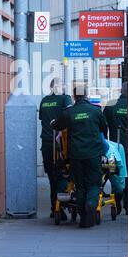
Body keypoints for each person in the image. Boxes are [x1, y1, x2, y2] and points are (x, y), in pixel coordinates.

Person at [51, 83, 108, 228]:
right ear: (86, 95)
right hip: (93, 153)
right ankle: (91, 203)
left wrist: (53, 123)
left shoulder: (69, 112)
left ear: (74, 96)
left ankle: (84, 220)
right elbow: (103, 128)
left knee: (80, 186)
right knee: (94, 183)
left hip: (76, 155)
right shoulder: (96, 111)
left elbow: (57, 125)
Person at [39, 78, 73, 219]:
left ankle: (55, 208)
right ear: (60, 87)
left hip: (47, 143)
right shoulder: (65, 99)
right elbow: (70, 117)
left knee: (52, 178)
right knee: (65, 175)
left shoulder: (44, 101)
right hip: (62, 145)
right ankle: (64, 204)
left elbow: (43, 119)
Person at [103, 82, 128, 213]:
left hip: (113, 151)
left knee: (113, 173)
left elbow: (102, 126)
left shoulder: (111, 104)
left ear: (120, 91)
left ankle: (116, 202)